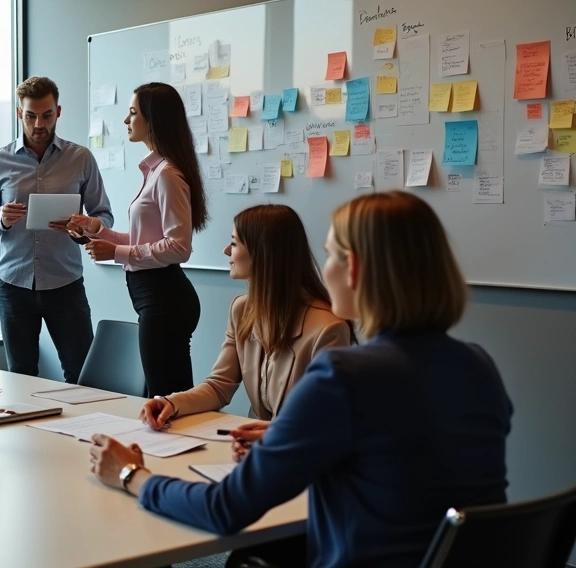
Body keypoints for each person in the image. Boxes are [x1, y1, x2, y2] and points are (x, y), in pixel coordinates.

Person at [88, 191, 513, 568]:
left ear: (354, 269)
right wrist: (292, 434)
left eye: (330, 256)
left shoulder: (344, 376)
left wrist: (130, 473)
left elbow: (225, 509)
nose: (323, 270)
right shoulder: (479, 366)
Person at [139, 205, 352, 450]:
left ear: (263, 252)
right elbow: (219, 386)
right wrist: (170, 403)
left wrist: (271, 438)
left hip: (298, 451)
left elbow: (326, 421)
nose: (226, 250)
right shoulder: (241, 309)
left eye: (234, 243)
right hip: (257, 447)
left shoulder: (328, 328)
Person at [0, 76, 113, 383]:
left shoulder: (81, 158)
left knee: (82, 376)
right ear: (19, 113)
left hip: (66, 284)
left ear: (58, 112)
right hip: (13, 286)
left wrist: (84, 227)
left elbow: (104, 217)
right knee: (21, 378)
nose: (39, 124)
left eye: (47, 115)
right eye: (31, 115)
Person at [69, 82, 207, 397]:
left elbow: (178, 247)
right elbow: (144, 238)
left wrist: (117, 252)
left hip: (165, 297)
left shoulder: (167, 175)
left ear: (153, 119)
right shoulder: (154, 171)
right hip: (155, 297)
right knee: (167, 397)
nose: (125, 120)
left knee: (164, 397)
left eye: (132, 113)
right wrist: (95, 230)